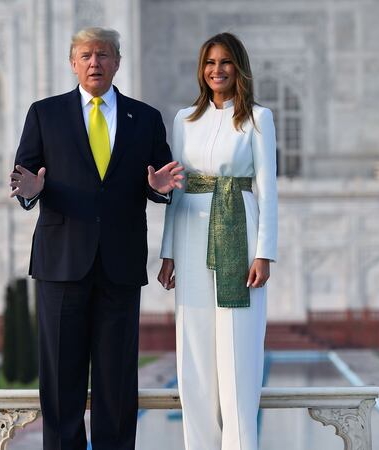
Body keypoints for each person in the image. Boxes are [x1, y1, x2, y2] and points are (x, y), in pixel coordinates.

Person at [10, 27, 184, 450]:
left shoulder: (144, 118)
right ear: (73, 63)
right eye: (86, 55)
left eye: (103, 55)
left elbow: (160, 178)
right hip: (61, 261)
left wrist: (160, 188)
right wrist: (30, 193)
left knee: (117, 381)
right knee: (60, 379)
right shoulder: (45, 114)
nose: (95, 63)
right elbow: (26, 176)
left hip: (119, 265)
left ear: (117, 62)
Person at [157, 32, 278, 450]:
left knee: (238, 348)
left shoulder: (258, 119)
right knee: (194, 348)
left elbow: (267, 188)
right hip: (191, 228)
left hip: (238, 230)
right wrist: (168, 251)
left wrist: (264, 252)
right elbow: (175, 189)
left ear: (238, 67)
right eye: (210, 62)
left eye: (225, 62)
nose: (217, 70)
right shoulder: (184, 119)